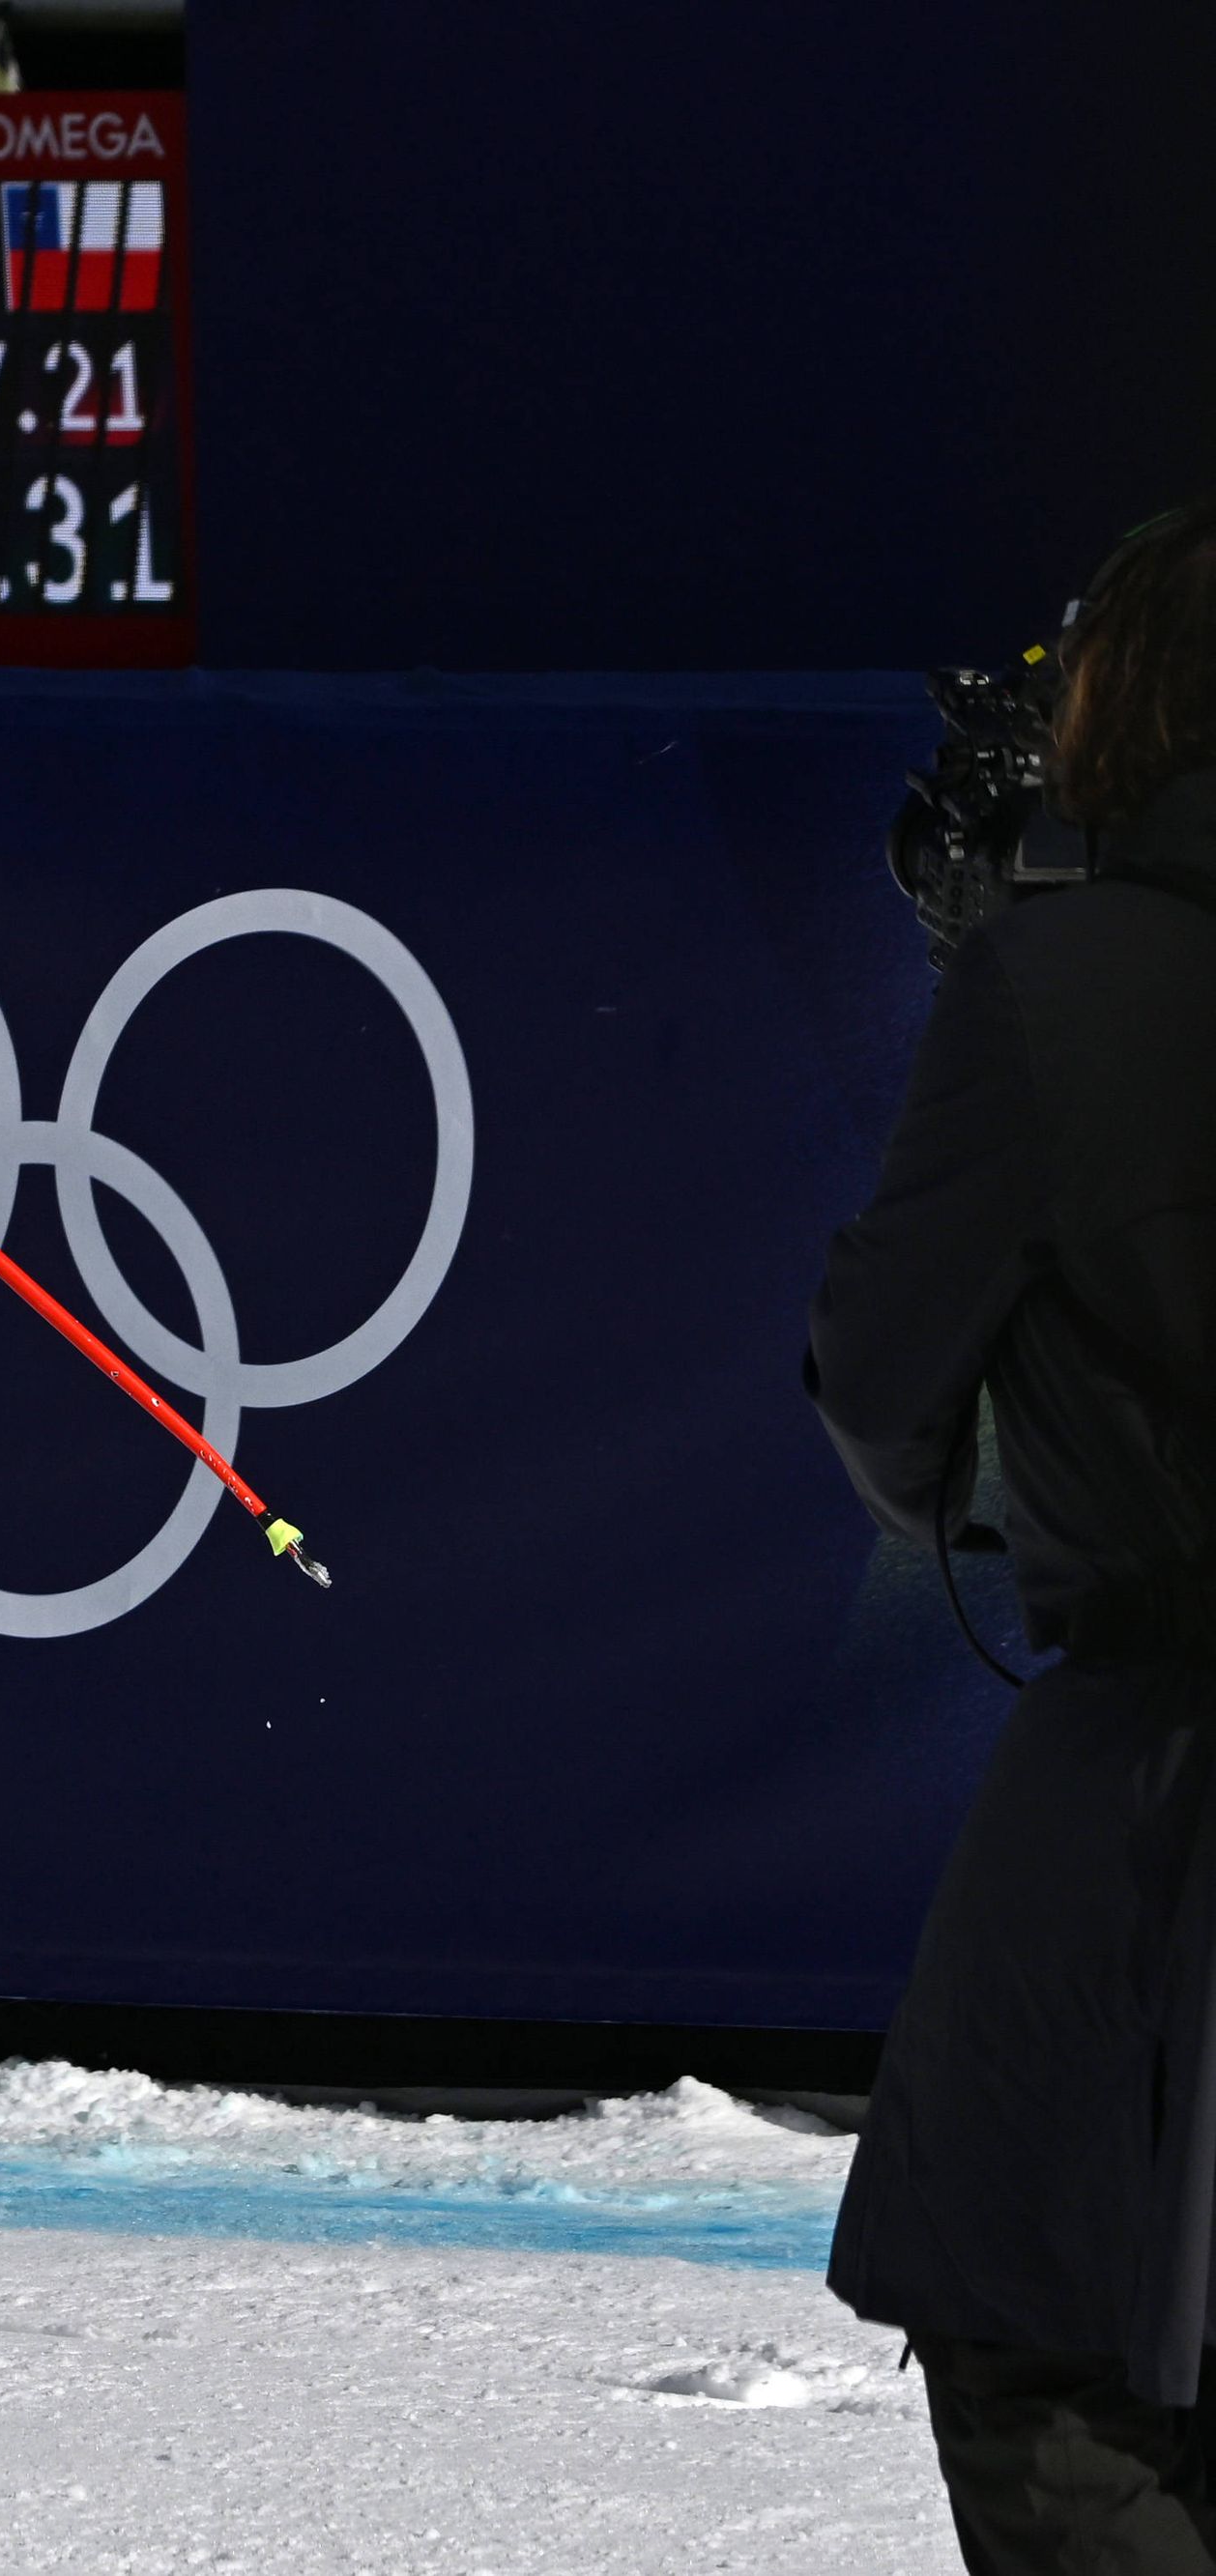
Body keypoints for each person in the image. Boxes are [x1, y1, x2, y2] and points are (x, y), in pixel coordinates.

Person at [811, 497, 1216, 2572]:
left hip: (1141, 1861)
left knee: (1060, 2375)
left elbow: (886, 1399)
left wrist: (1007, 978)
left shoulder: (1061, 988)